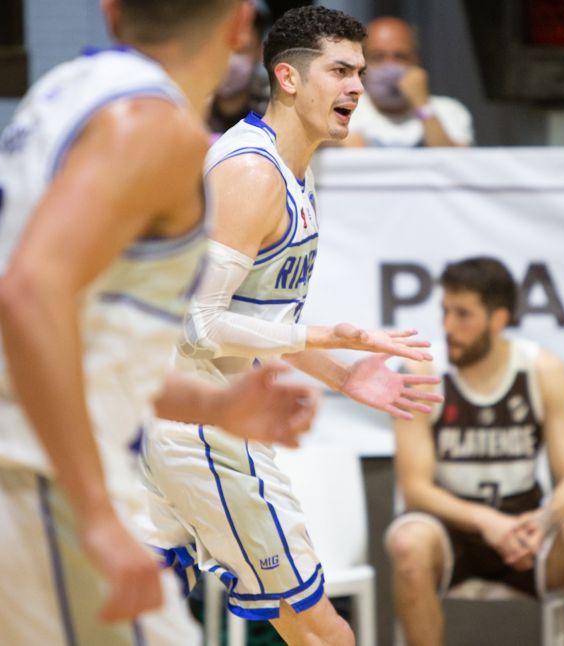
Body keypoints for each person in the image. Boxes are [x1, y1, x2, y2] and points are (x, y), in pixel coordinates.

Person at [0, 1, 323, 644]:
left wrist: (215, 405)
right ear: (240, 25)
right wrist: (97, 517)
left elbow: (86, 346)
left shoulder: (58, 96)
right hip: (30, 480)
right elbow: (27, 297)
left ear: (112, 14)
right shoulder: (155, 128)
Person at [139, 6, 442, 645]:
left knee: (134, 615)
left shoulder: (292, 172)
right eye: (340, 71)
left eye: (359, 72)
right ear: (288, 77)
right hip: (199, 428)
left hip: (182, 416)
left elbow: (256, 320)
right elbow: (199, 324)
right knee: (323, 630)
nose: (356, 87)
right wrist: (329, 336)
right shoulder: (252, 173)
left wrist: (340, 375)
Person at [386, 257, 564, 646]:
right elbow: (415, 489)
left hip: (525, 529)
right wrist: (487, 521)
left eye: (463, 314)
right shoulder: (421, 372)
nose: (449, 327)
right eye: (445, 312)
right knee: (407, 545)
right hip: (449, 530)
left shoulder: (542, 370)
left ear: (498, 319)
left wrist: (543, 521)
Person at [342, 16, 474, 147]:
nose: (390, 66)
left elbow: (455, 159)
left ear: (416, 61)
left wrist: (422, 105)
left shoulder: (448, 111)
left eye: (400, 57)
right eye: (378, 57)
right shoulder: (345, 110)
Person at [208, 0, 273, 136]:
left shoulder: (273, 111)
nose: (230, 59)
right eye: (225, 49)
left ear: (260, 52)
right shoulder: (187, 109)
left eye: (241, 50)